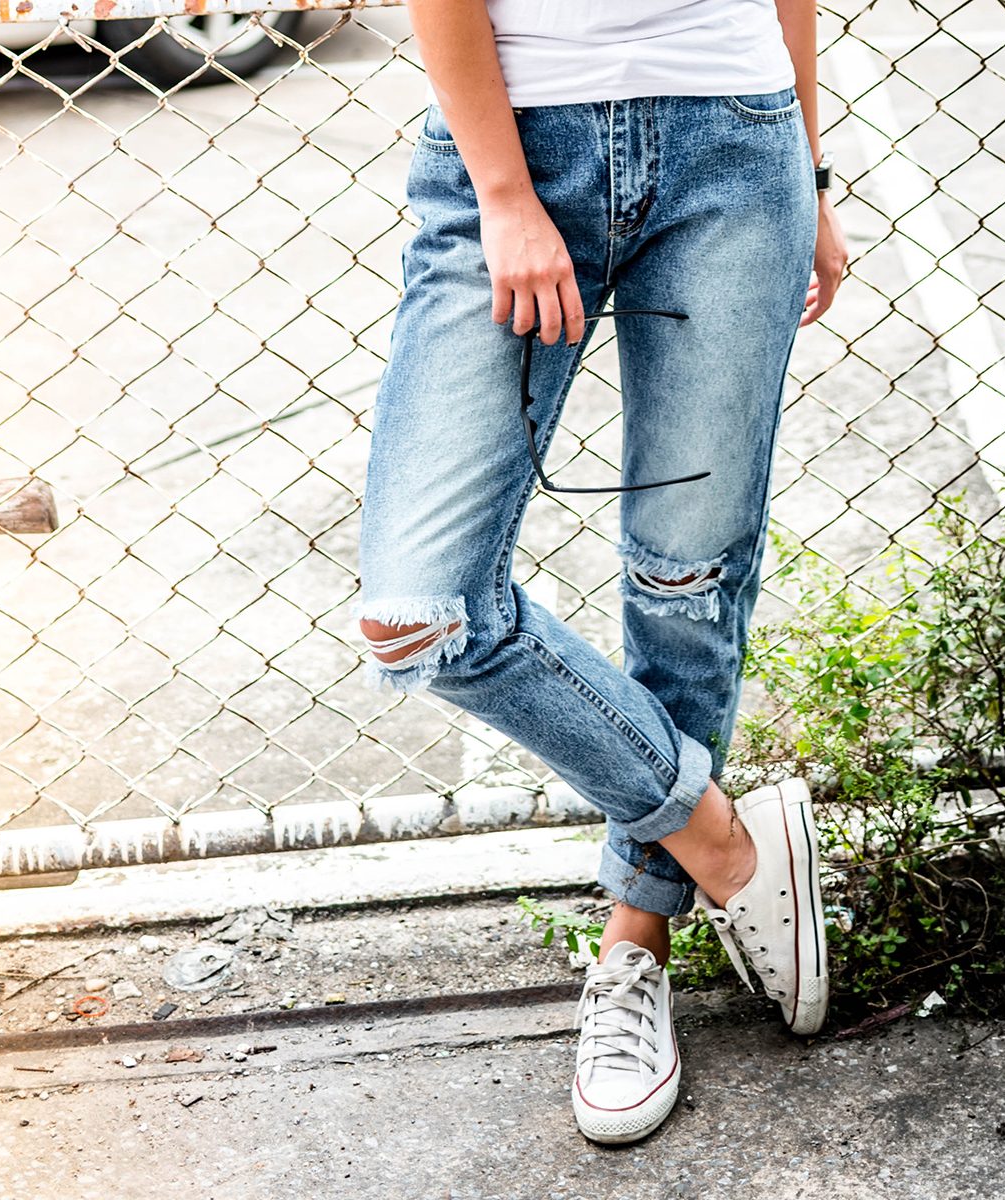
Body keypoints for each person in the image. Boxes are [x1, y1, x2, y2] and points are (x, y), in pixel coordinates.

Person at [355, 0, 848, 1144]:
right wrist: (506, 196)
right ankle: (718, 837)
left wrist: (813, 179)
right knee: (417, 611)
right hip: (516, 148)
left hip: (736, 137)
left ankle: (639, 944)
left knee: (689, 578)